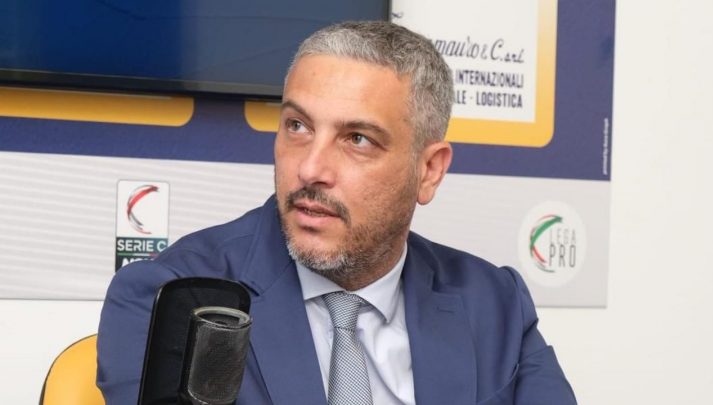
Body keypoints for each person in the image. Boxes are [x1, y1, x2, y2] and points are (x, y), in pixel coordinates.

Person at [97, 21, 576, 404]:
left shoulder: (495, 304)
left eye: (357, 139)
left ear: (429, 171)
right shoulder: (173, 300)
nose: (310, 169)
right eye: (298, 126)